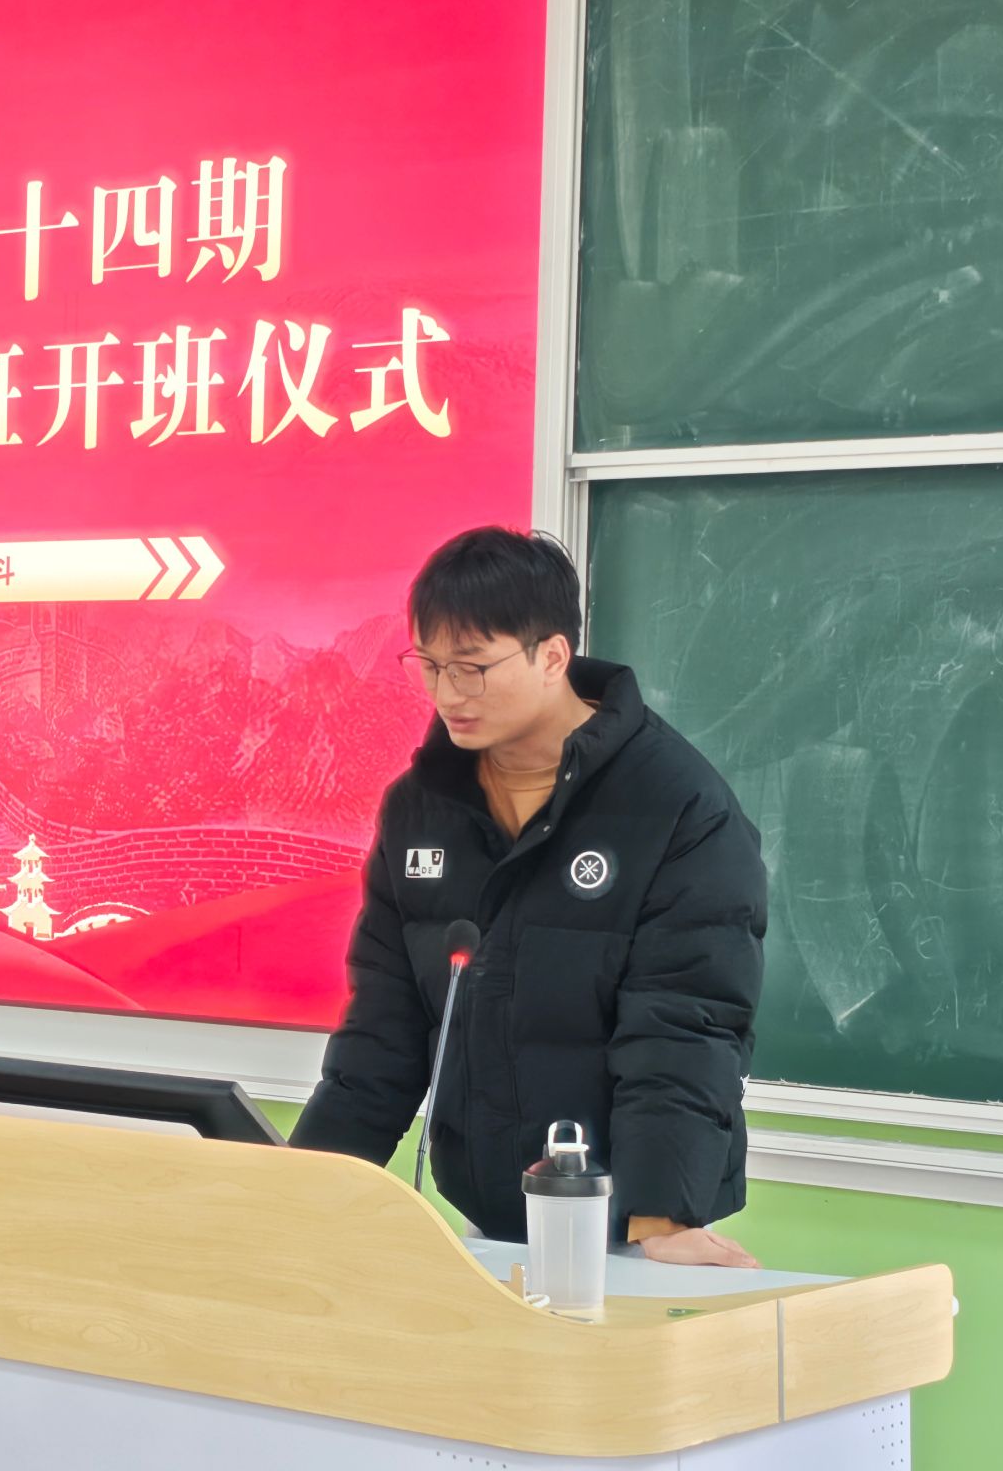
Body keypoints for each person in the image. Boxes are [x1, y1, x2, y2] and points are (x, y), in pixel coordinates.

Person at [291, 527, 766, 1267]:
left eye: (473, 668)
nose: (448, 694)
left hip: (628, 1234)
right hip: (486, 1221)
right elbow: (385, 1024)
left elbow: (684, 1025)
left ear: (552, 656)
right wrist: (304, 1195)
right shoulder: (422, 806)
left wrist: (663, 1219)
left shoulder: (676, 805)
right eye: (430, 666)